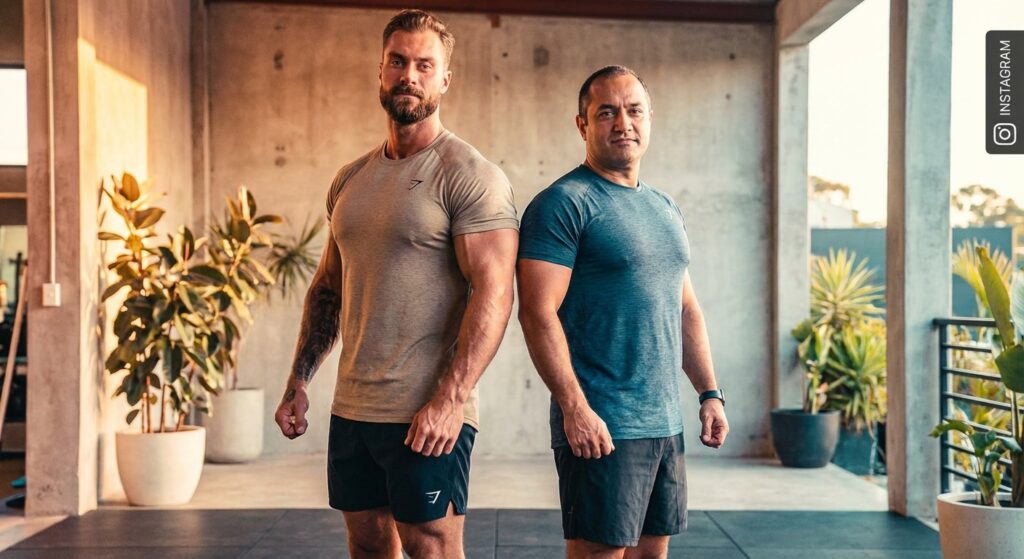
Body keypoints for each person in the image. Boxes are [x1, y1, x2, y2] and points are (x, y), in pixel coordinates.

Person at [272, 10, 518, 559]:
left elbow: (495, 293)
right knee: (366, 543)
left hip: (426, 411)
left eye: (425, 65)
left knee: (431, 547)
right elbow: (328, 288)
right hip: (353, 407)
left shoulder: (469, 174)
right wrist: (298, 380)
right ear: (380, 71)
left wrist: (451, 400)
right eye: (398, 62)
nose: (410, 75)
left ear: (444, 79)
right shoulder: (350, 179)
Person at [516, 65, 729, 559]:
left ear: (649, 118)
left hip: (664, 423)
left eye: (634, 111)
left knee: (653, 554)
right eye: (606, 112)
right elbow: (536, 313)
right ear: (582, 124)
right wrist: (575, 408)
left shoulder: (664, 207)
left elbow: (685, 307)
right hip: (602, 423)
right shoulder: (563, 204)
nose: (623, 123)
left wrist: (709, 393)